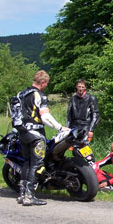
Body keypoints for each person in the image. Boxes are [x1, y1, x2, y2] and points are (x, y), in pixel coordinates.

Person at [16, 70, 69, 206]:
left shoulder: (21, 94)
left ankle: (22, 194)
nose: (46, 86)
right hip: (36, 135)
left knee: (27, 162)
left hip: (22, 133)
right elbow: (45, 117)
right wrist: (59, 127)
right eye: (46, 83)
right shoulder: (39, 95)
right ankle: (30, 196)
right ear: (42, 82)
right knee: (37, 164)